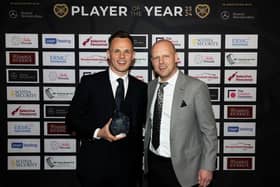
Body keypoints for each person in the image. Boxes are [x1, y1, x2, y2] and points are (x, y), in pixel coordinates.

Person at [65, 30, 147, 187]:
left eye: (126, 51)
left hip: (129, 173)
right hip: (94, 170)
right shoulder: (89, 83)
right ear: (108, 54)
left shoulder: (142, 88)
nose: (122, 57)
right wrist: (98, 132)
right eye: (117, 51)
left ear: (133, 55)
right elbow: (71, 121)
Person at [143, 40, 218, 187]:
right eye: (156, 58)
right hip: (154, 162)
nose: (161, 62)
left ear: (176, 57)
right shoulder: (150, 87)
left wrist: (207, 166)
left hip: (185, 167)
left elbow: (209, 131)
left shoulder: (196, 88)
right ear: (152, 61)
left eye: (166, 56)